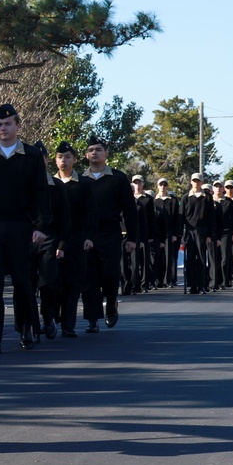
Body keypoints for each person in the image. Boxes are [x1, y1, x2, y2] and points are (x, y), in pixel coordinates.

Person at [0, 104, 50, 354]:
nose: (2, 129)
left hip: (20, 226)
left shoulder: (32, 156)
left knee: (22, 282)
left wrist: (40, 226)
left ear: (17, 125)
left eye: (7, 124)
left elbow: (41, 193)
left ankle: (26, 329)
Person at [81, 136, 137, 332]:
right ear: (86, 154)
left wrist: (132, 238)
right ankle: (92, 319)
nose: (94, 152)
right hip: (88, 235)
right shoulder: (82, 179)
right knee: (89, 278)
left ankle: (111, 304)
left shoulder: (117, 178)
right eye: (91, 149)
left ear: (106, 153)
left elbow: (130, 210)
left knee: (110, 274)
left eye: (98, 149)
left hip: (111, 234)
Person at [29, 141, 69, 341]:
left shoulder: (56, 186)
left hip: (49, 239)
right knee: (26, 284)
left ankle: (48, 318)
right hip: (25, 238)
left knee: (48, 283)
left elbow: (63, 218)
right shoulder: (21, 185)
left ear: (46, 160)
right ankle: (31, 326)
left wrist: (61, 245)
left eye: (40, 157)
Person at [54, 142, 90, 338]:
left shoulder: (83, 183)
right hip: (55, 239)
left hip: (76, 238)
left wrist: (89, 237)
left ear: (75, 159)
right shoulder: (50, 183)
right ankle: (53, 316)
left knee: (73, 282)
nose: (64, 161)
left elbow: (90, 213)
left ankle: (68, 323)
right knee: (54, 282)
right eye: (60, 157)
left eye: (67, 157)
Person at [181, 173, 214, 295]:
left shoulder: (207, 198)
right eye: (194, 181)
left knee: (201, 258)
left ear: (201, 182)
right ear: (191, 182)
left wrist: (210, 234)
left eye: (198, 181)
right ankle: (192, 285)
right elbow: (182, 218)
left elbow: (211, 217)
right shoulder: (186, 197)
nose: (196, 183)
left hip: (202, 231)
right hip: (189, 231)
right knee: (190, 259)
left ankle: (201, 285)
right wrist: (182, 236)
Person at [122, 175, 154, 295]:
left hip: (135, 236)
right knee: (123, 264)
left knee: (136, 263)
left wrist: (144, 238)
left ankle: (135, 285)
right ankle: (125, 284)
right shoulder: (120, 204)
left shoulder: (141, 204)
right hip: (121, 236)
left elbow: (145, 222)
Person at [152, 178, 179, 289]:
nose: (163, 187)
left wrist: (175, 234)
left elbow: (177, 218)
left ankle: (168, 280)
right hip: (157, 233)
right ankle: (157, 280)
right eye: (161, 184)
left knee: (169, 257)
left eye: (165, 184)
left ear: (167, 186)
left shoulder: (172, 200)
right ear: (157, 186)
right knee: (158, 257)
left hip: (169, 232)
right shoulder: (153, 200)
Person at [212, 180, 233, 291]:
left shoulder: (228, 202)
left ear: (223, 189)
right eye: (216, 186)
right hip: (213, 233)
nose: (218, 189)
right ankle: (214, 282)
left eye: (220, 187)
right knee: (214, 258)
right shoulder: (209, 201)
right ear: (213, 189)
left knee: (224, 258)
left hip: (226, 233)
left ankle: (223, 281)